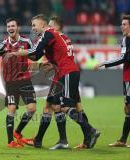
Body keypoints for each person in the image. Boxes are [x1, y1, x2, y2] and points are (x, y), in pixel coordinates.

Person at [8, 14, 100, 149]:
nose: (32, 28)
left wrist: (17, 53)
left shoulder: (49, 33)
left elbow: (35, 51)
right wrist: (34, 59)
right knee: (50, 106)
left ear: (44, 25)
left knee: (65, 107)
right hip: (61, 74)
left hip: (66, 73)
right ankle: (41, 140)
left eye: (34, 25)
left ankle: (89, 130)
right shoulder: (57, 37)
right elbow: (36, 55)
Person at [0, 18, 37, 148]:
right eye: (8, 26)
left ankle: (18, 131)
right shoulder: (1, 45)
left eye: (13, 25)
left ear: (17, 27)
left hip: (25, 80)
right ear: (6, 28)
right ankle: (10, 142)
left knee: (32, 109)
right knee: (12, 109)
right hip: (10, 82)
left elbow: (34, 56)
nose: (10, 28)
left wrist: (37, 63)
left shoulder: (26, 42)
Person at [94, 15, 130, 148]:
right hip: (127, 77)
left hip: (129, 78)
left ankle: (122, 140)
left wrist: (104, 63)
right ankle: (122, 140)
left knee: (128, 108)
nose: (122, 26)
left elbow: (122, 58)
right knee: (127, 108)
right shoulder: (126, 39)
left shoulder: (127, 39)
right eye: (121, 24)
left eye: (125, 24)